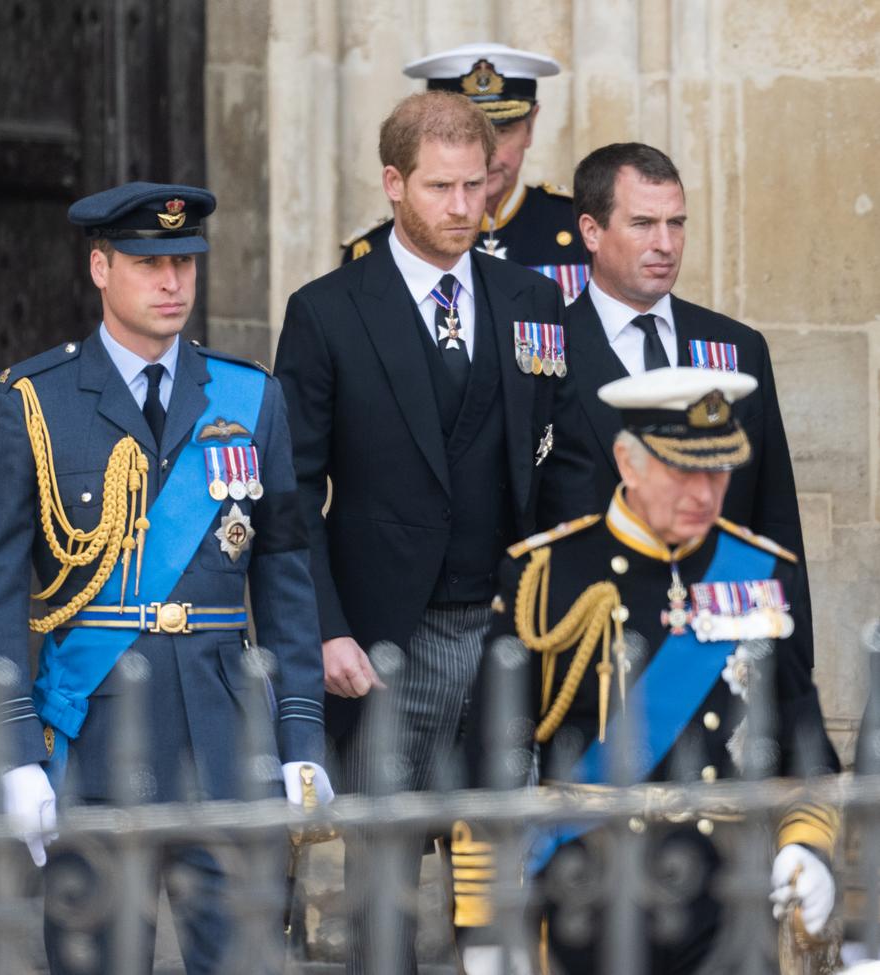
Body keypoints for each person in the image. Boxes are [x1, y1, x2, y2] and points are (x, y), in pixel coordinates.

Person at [0, 181, 331, 974]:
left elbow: (286, 574)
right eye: (148, 262)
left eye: (185, 263)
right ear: (100, 267)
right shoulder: (32, 403)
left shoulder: (249, 397)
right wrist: (12, 750)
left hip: (227, 743)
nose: (172, 282)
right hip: (94, 741)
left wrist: (302, 736)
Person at [275, 90, 593, 974]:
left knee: (498, 870)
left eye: (477, 186)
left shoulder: (531, 298)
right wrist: (325, 628)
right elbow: (293, 491)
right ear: (393, 184)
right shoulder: (328, 310)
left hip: (504, 625)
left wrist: (559, 601)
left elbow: (565, 458)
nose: (465, 208)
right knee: (383, 876)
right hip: (382, 635)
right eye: (442, 188)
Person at [456, 367, 840, 975]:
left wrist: (805, 848)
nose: (704, 495)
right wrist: (485, 923)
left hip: (731, 899)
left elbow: (805, 744)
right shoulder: (547, 575)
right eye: (682, 471)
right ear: (628, 463)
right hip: (587, 891)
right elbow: (489, 763)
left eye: (717, 471)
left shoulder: (762, 573)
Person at [544, 141, 814, 667]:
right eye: (643, 224)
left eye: (677, 223)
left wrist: (793, 661)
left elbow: (774, 516)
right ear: (592, 232)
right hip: (593, 643)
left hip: (718, 643)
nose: (665, 244)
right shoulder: (545, 352)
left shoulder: (736, 348)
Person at [341, 42, 591, 306]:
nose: (487, 154)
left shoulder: (578, 227)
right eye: (459, 139)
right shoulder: (375, 248)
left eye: (503, 131)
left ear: (530, 128)